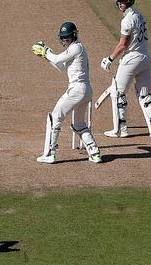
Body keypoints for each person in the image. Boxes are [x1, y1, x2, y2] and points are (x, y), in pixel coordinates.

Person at [31, 22, 102, 164]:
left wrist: (45, 50)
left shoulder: (76, 47)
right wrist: (46, 57)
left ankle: (50, 153)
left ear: (74, 35)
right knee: (78, 124)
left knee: (54, 118)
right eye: (63, 38)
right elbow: (63, 68)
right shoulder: (75, 50)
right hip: (85, 91)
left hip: (77, 90)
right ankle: (94, 153)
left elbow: (57, 58)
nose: (65, 41)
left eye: (67, 38)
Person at [100, 0, 151, 138]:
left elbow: (123, 44)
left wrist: (109, 59)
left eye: (121, 1)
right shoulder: (139, 15)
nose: (119, 4)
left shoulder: (127, 20)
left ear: (128, 1)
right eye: (118, 1)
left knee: (118, 92)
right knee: (145, 94)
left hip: (132, 59)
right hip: (145, 58)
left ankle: (120, 129)